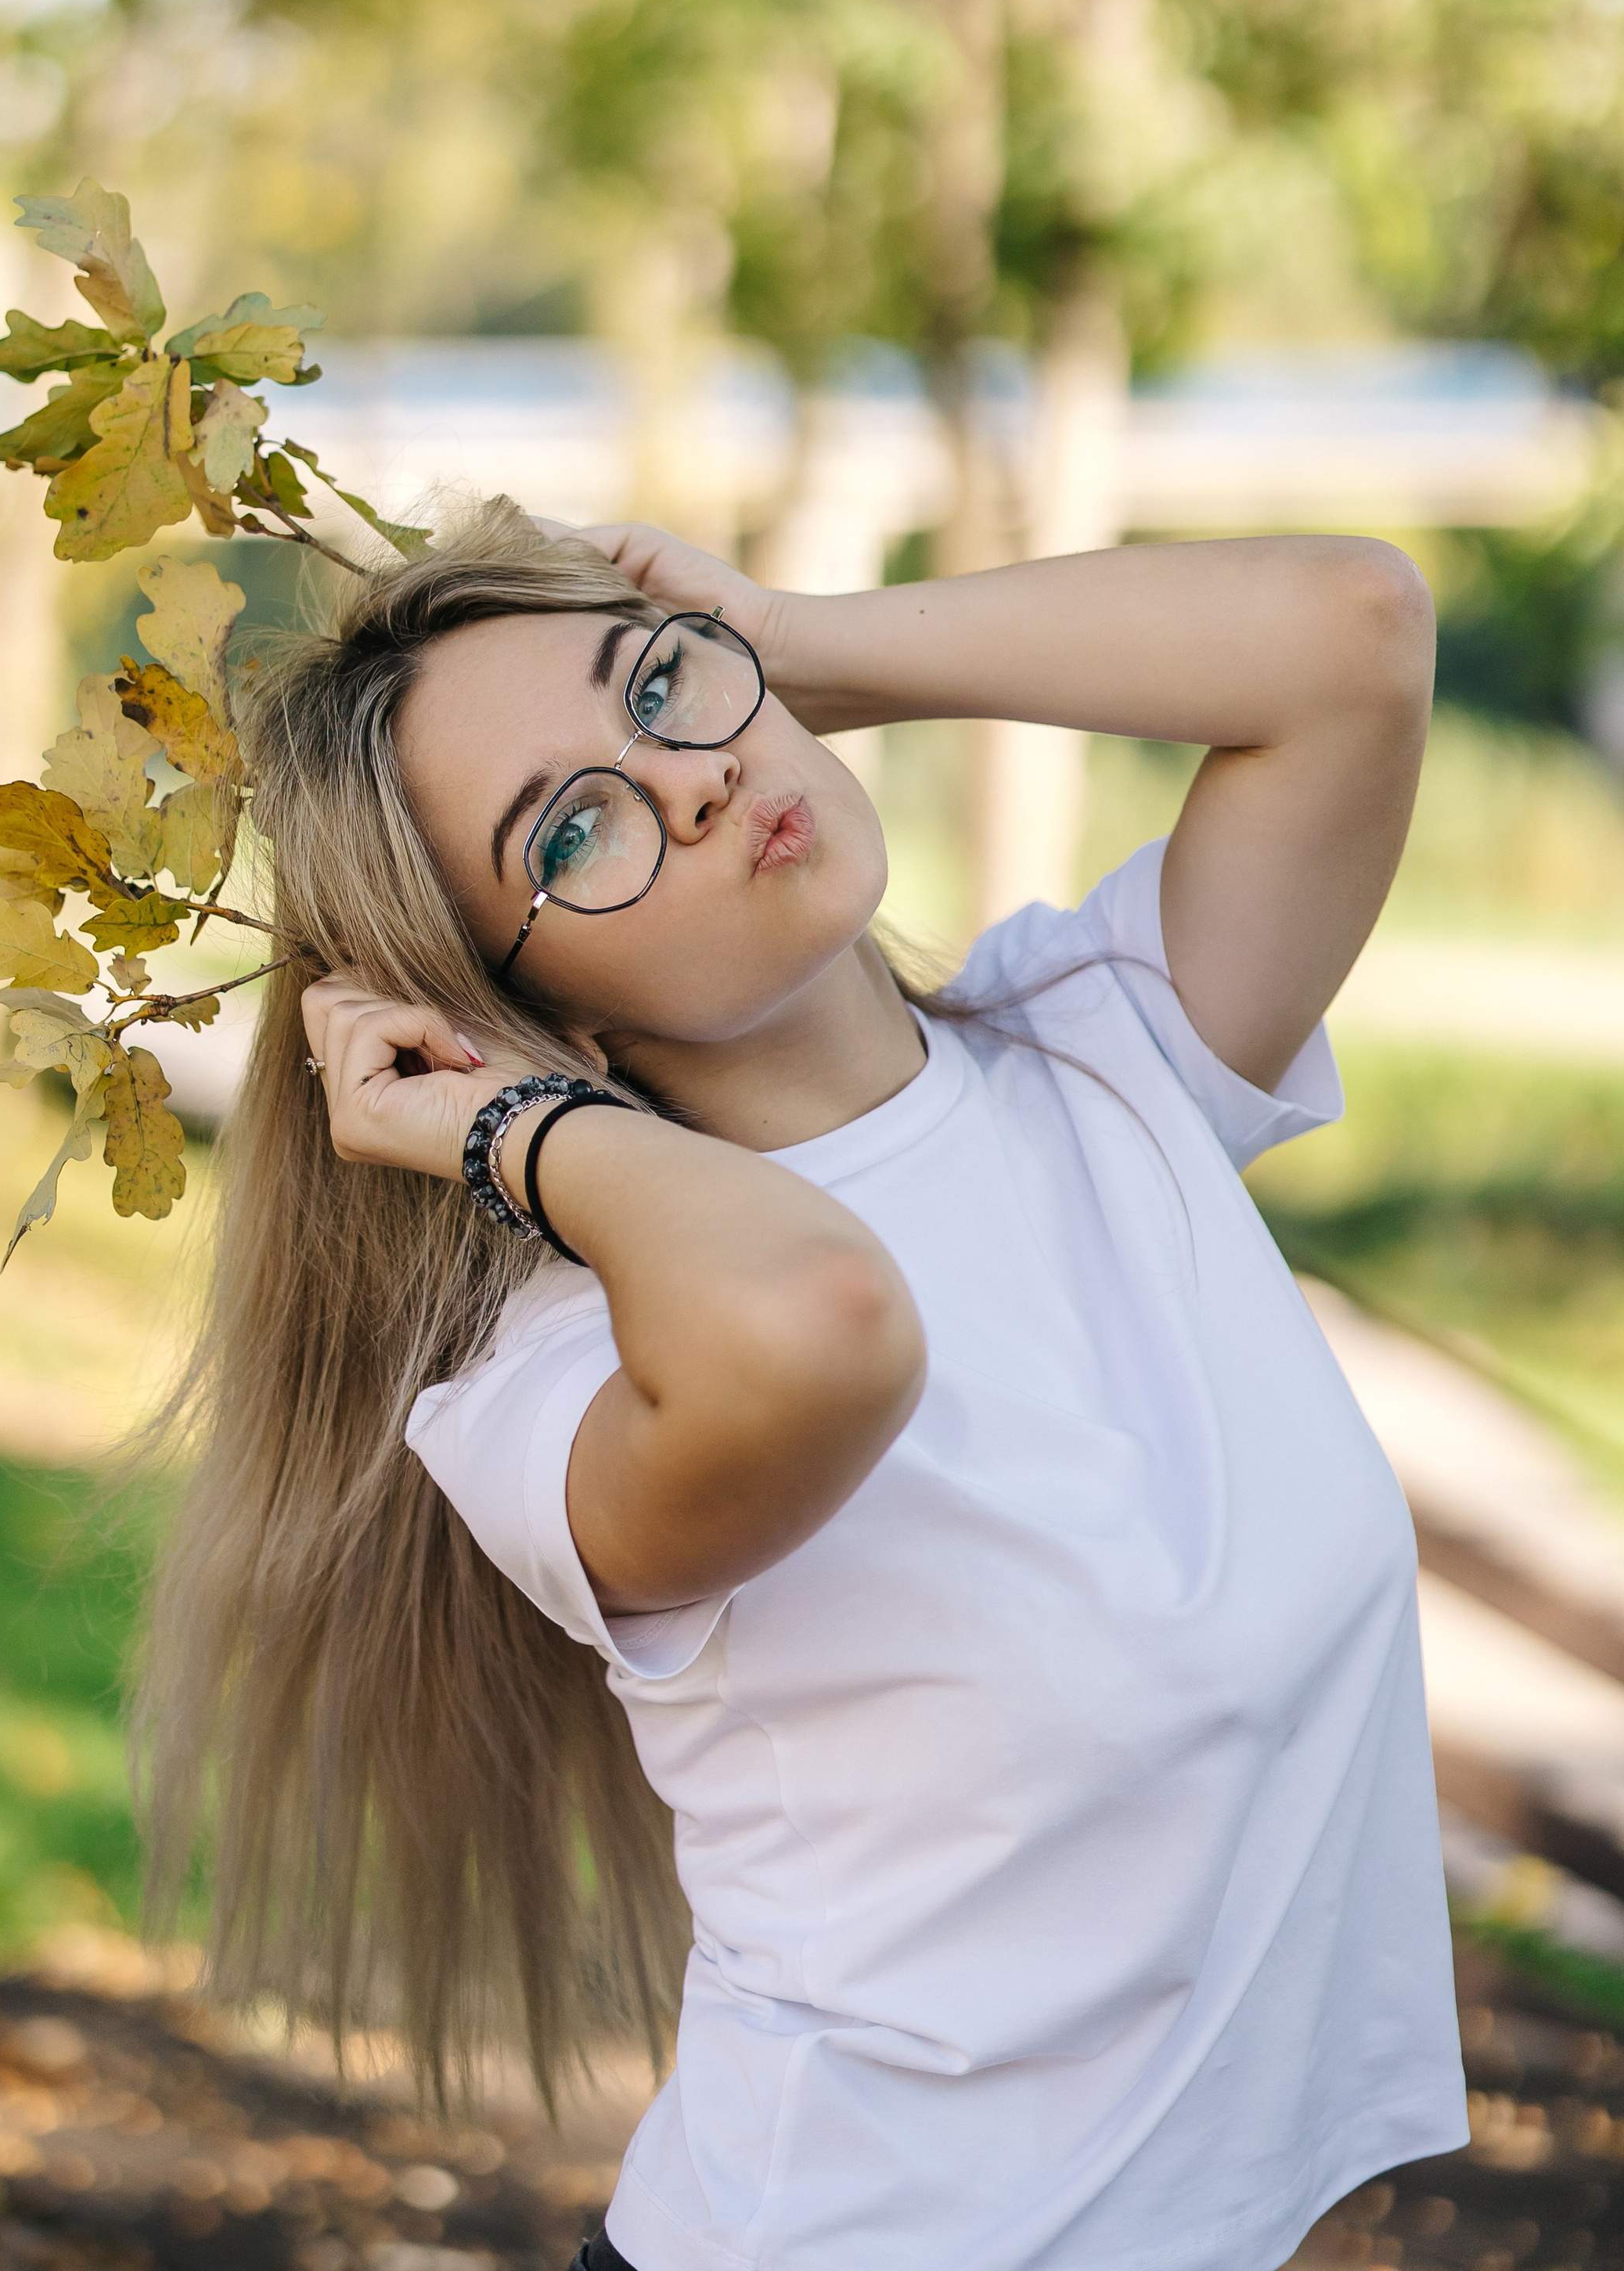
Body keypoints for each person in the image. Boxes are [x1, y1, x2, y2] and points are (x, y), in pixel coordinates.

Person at [134, 498, 1466, 2271]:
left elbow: (1347, 629)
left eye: (661, 687)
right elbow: (827, 1321)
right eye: (577, 829)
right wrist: (501, 1121)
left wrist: (795, 645)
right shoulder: (562, 1383)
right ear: (520, 1014)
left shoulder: (1108, 1056)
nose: (686, 784)